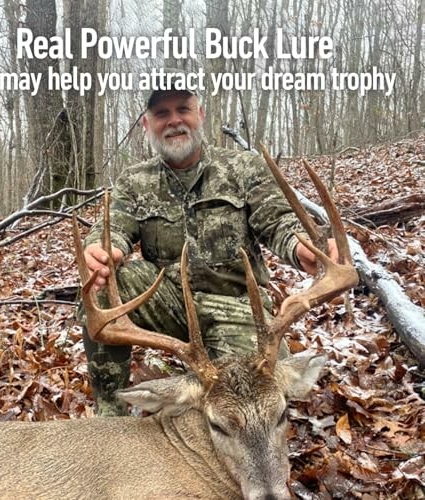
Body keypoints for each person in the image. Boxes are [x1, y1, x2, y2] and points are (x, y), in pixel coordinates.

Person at [82, 76, 337, 416]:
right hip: (173, 303)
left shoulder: (243, 167)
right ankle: (111, 417)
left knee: (251, 405)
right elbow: (111, 228)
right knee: (102, 289)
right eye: (162, 113)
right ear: (147, 124)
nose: (174, 120)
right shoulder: (134, 181)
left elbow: (277, 219)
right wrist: (103, 251)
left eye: (183, 109)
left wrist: (300, 246)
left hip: (239, 307)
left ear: (200, 113)